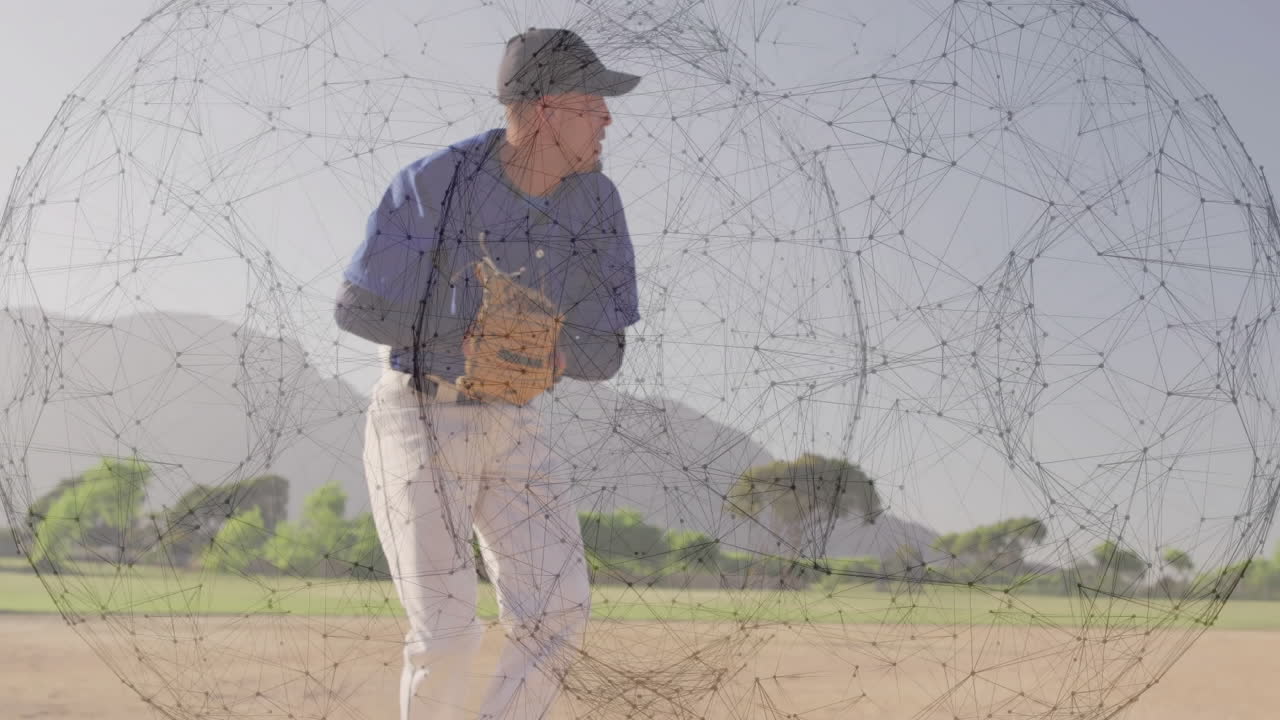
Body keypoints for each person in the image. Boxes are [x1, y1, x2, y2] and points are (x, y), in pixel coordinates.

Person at [334, 27, 642, 720]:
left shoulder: (597, 204)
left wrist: (554, 353)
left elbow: (609, 349)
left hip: (513, 419)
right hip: (421, 413)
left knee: (559, 612)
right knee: (445, 636)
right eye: (593, 103)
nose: (608, 119)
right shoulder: (437, 181)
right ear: (544, 111)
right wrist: (471, 334)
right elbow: (357, 308)